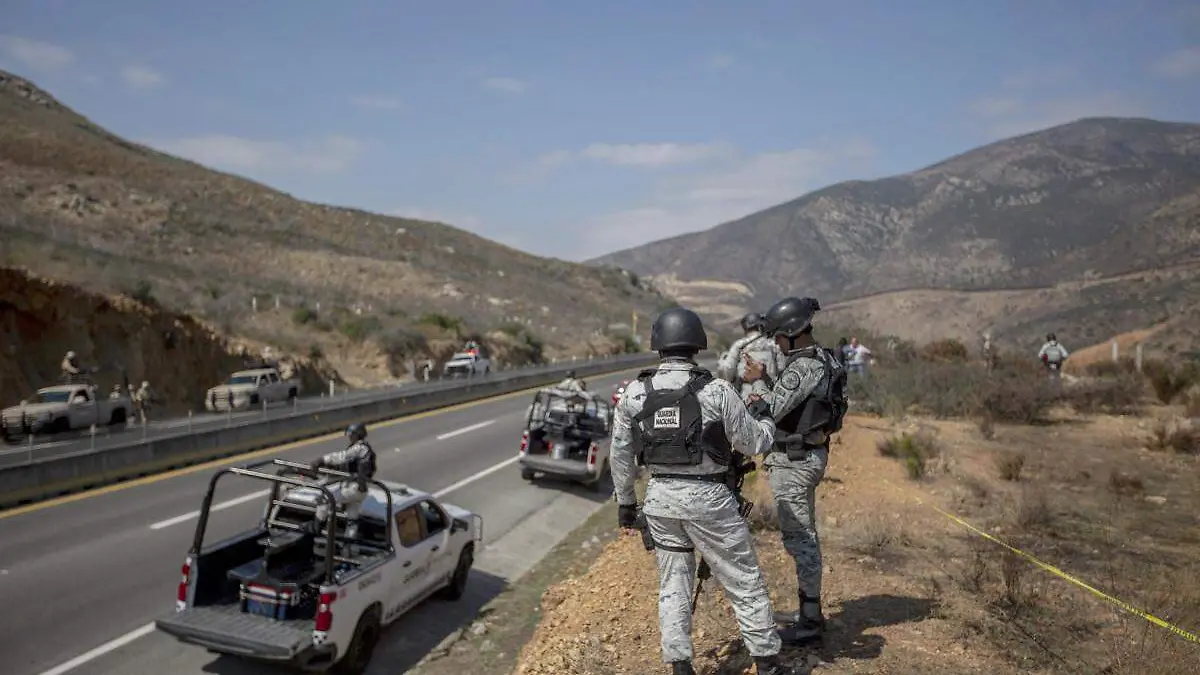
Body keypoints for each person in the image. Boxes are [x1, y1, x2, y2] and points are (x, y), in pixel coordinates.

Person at [611, 307, 800, 675]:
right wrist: (763, 417)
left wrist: (626, 504)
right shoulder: (716, 391)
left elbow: (620, 453)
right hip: (710, 500)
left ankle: (680, 665)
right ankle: (767, 662)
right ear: (697, 343)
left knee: (673, 584)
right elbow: (753, 443)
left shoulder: (635, 393)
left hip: (661, 499)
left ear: (658, 344)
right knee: (743, 579)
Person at [743, 296, 848, 646]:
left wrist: (757, 383)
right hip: (806, 455)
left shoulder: (804, 367)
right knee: (805, 536)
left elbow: (769, 410)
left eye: (777, 337)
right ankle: (809, 612)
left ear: (791, 333)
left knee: (800, 539)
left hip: (795, 461)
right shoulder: (822, 358)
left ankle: (810, 621)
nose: (774, 343)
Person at [310, 423, 377, 543]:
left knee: (324, 500)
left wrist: (321, 460)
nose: (350, 438)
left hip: (353, 488)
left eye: (352, 435)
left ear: (358, 435)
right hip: (361, 490)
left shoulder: (360, 447)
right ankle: (348, 546)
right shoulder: (365, 449)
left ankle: (315, 534)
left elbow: (341, 457)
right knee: (352, 520)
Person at [717, 312, 783, 402]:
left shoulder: (739, 345)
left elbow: (727, 369)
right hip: (770, 390)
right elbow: (782, 368)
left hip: (747, 392)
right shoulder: (773, 344)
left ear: (745, 328)